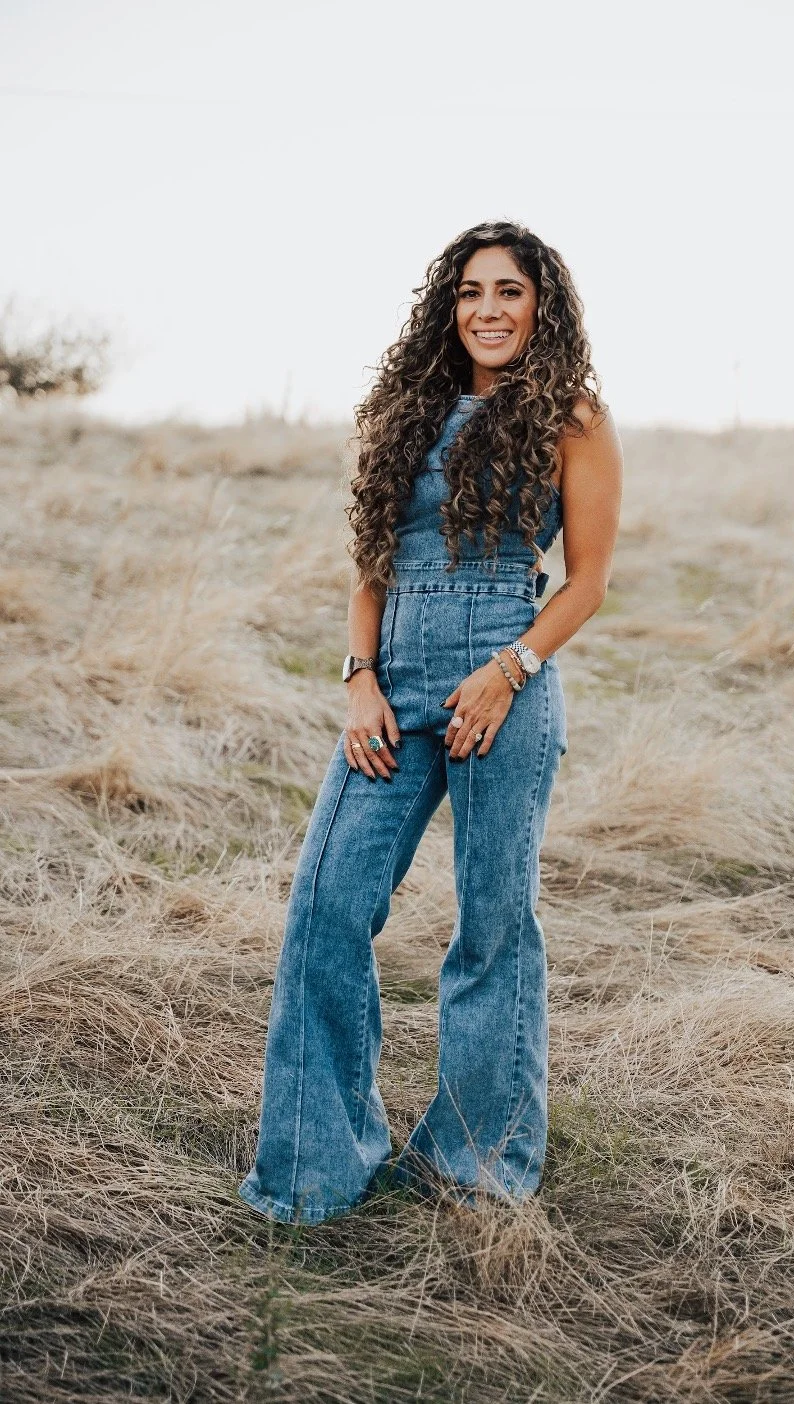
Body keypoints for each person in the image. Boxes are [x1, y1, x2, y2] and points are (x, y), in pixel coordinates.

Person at [238, 220, 623, 1225]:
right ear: (446, 310)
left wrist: (509, 670)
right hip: (392, 683)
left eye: (507, 291)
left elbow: (587, 583)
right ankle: (317, 1166)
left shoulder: (572, 415)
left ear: (542, 306)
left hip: (505, 674)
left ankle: (479, 1165)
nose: (486, 310)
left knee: (493, 926)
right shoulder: (406, 413)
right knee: (326, 903)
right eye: (468, 293)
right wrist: (359, 678)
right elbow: (372, 562)